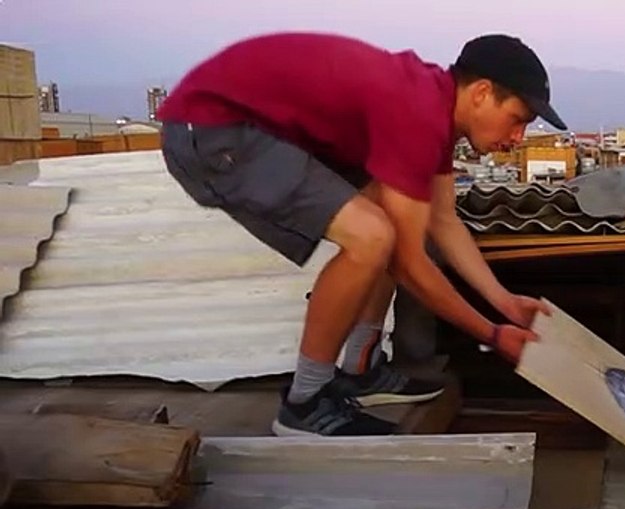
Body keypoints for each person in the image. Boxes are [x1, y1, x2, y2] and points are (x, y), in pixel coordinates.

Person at [155, 32, 566, 437]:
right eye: (517, 120)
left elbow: (443, 220)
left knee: (397, 221)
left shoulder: (433, 107)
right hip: (212, 128)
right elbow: (408, 264)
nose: (518, 139)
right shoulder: (417, 110)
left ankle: (360, 368)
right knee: (372, 237)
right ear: (480, 93)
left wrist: (504, 303)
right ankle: (305, 402)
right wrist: (491, 335)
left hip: (245, 127)